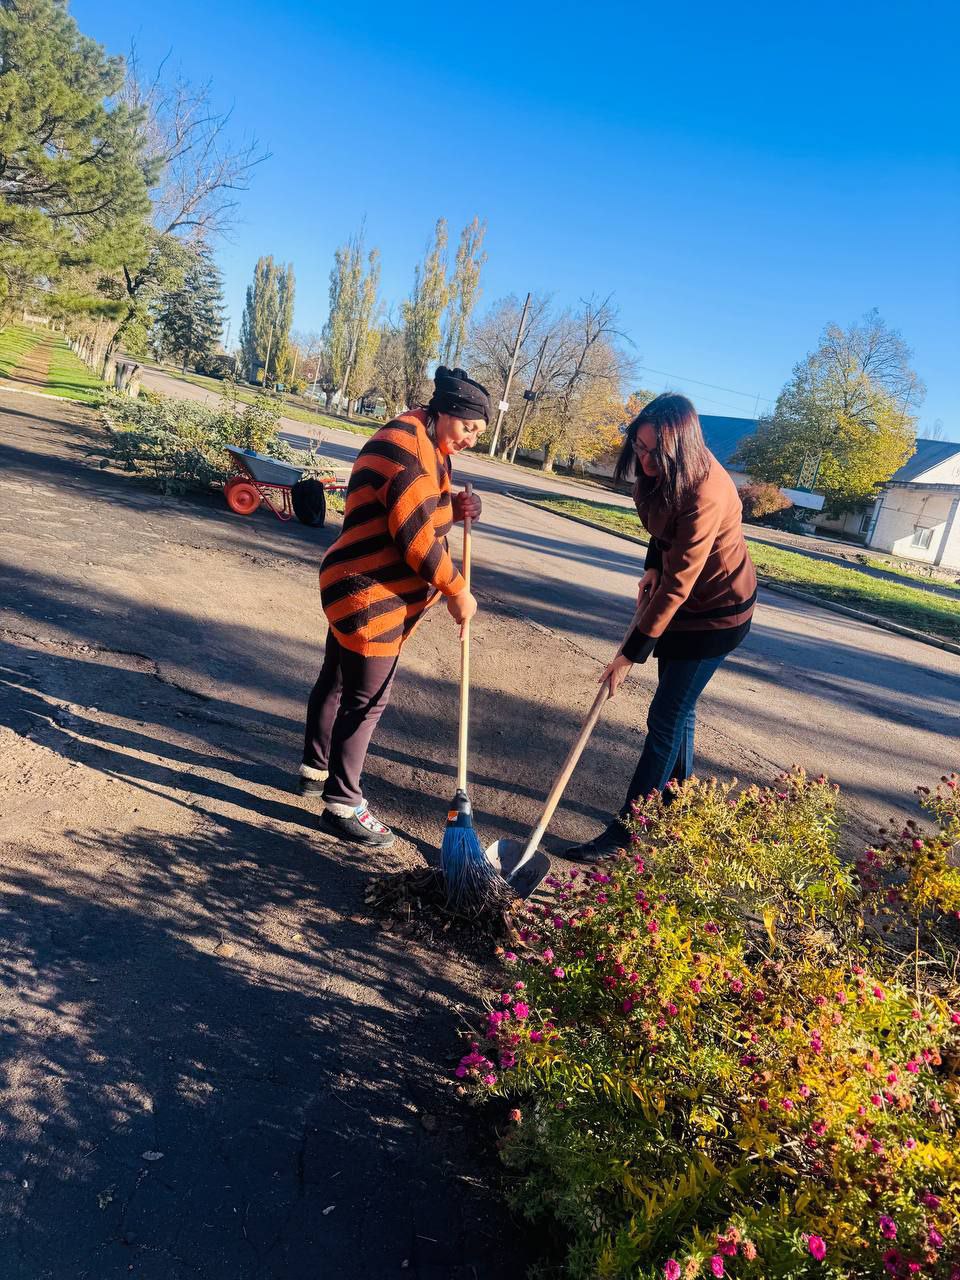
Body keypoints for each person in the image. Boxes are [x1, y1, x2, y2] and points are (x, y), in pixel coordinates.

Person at [297, 366, 489, 848]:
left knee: (336, 680)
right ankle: (343, 804)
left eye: (478, 433)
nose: (470, 440)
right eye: (468, 427)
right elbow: (417, 541)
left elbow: (416, 510)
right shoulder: (409, 453)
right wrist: (457, 590)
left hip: (352, 582)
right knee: (367, 700)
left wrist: (455, 510)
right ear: (444, 411)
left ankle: (314, 770)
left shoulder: (424, 439)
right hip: (370, 598)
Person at [565, 393, 757, 863]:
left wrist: (628, 655)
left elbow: (678, 587)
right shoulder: (664, 472)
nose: (645, 460)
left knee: (666, 717)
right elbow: (663, 531)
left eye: (655, 452)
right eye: (640, 446)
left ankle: (627, 833)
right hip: (684, 603)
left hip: (717, 613)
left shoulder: (707, 491)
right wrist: (653, 563)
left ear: (680, 448)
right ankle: (675, 803)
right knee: (680, 709)